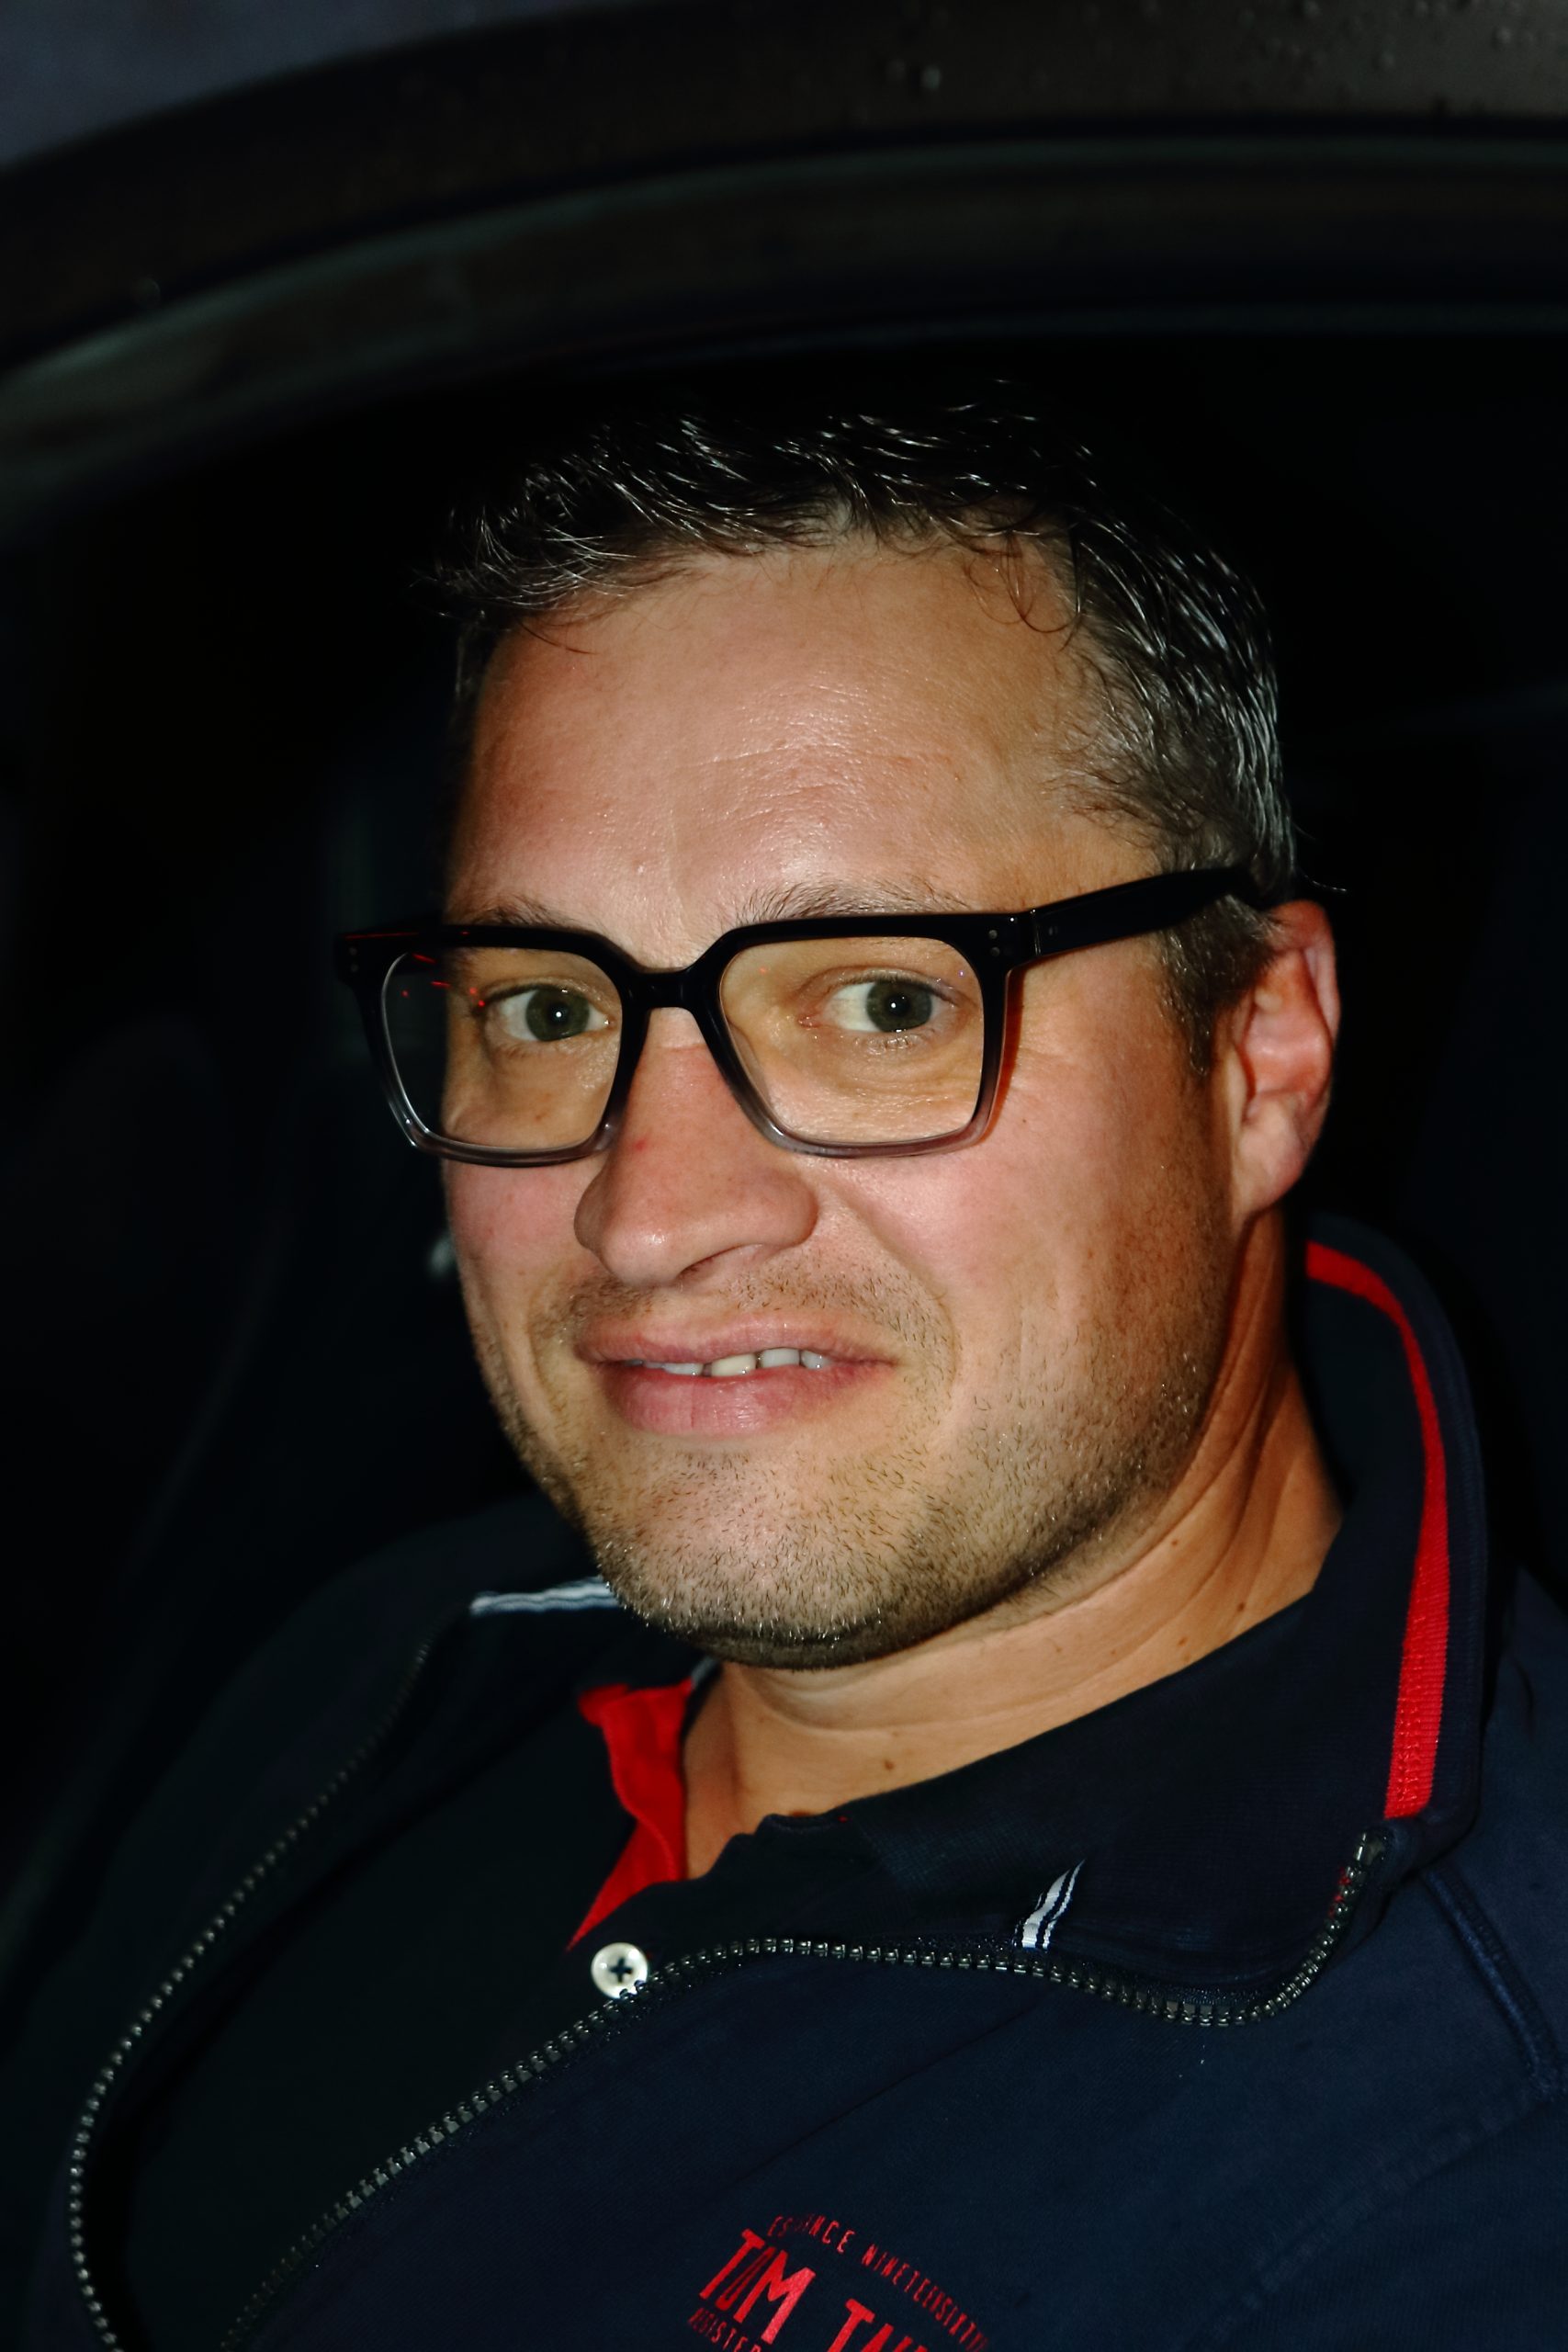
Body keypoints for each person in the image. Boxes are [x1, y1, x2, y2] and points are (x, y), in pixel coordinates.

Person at [16, 381, 1568, 2350]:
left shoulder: (1472, 2185)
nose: (646, 1217)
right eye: (549, 1008)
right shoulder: (409, 1653)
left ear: (1260, 1051)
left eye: (882, 1000)